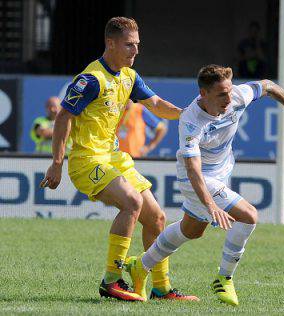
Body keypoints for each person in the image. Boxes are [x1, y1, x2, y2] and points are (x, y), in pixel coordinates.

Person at [125, 64, 284, 306]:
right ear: (204, 94)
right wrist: (210, 204)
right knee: (248, 216)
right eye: (221, 94)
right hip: (196, 178)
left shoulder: (236, 95)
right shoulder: (191, 121)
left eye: (229, 91)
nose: (228, 98)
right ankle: (224, 278)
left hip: (221, 171)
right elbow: (193, 168)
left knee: (191, 230)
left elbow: (268, 86)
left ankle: (140, 266)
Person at [39, 17, 197, 302]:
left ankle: (161, 288)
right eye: (128, 45)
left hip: (114, 158)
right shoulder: (90, 80)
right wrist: (57, 162)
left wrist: (190, 114)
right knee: (132, 202)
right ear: (110, 43)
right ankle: (111, 280)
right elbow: (63, 117)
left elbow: (158, 106)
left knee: (157, 218)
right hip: (87, 160)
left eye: (137, 45)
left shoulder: (130, 77)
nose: (135, 51)